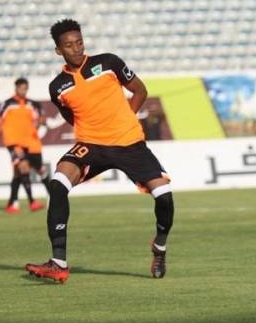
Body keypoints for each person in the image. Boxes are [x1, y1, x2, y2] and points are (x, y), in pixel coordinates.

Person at [25, 19, 174, 284]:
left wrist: (125, 119)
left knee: (164, 197)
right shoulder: (57, 87)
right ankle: (58, 263)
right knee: (57, 184)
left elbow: (140, 90)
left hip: (129, 143)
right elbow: (71, 117)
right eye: (69, 45)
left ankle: (159, 247)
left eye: (79, 42)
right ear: (58, 50)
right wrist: (95, 129)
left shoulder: (108, 62)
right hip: (92, 146)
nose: (76, 48)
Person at [0, 78, 51, 214]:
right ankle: (32, 202)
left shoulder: (33, 104)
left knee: (23, 172)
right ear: (16, 88)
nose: (23, 91)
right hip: (13, 143)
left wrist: (40, 122)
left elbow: (42, 119)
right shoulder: (8, 104)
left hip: (31, 143)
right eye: (21, 88)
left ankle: (12, 203)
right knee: (23, 167)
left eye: (25, 88)